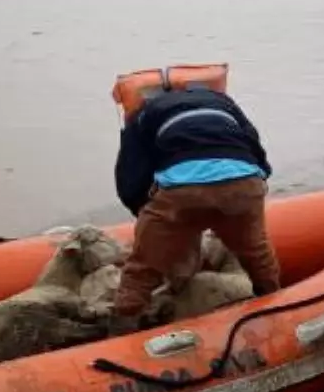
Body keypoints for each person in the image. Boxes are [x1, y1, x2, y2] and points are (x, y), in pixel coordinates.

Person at [110, 83, 281, 333]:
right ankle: (276, 307)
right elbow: (255, 149)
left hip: (183, 191)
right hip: (243, 181)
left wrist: (146, 214)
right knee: (257, 254)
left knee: (142, 269)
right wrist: (257, 183)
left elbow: (129, 178)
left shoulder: (142, 114)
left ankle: (122, 330)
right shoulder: (223, 102)